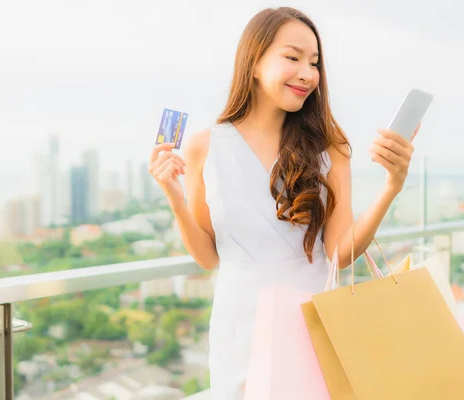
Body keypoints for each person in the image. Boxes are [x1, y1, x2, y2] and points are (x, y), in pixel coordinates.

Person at [149, 6, 418, 399]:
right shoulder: (204, 146)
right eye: (292, 58)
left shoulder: (330, 148)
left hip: (311, 318)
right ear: (254, 62)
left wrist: (392, 186)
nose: (308, 73)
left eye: (315, 62)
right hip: (238, 325)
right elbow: (209, 258)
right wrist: (174, 197)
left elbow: (340, 254)